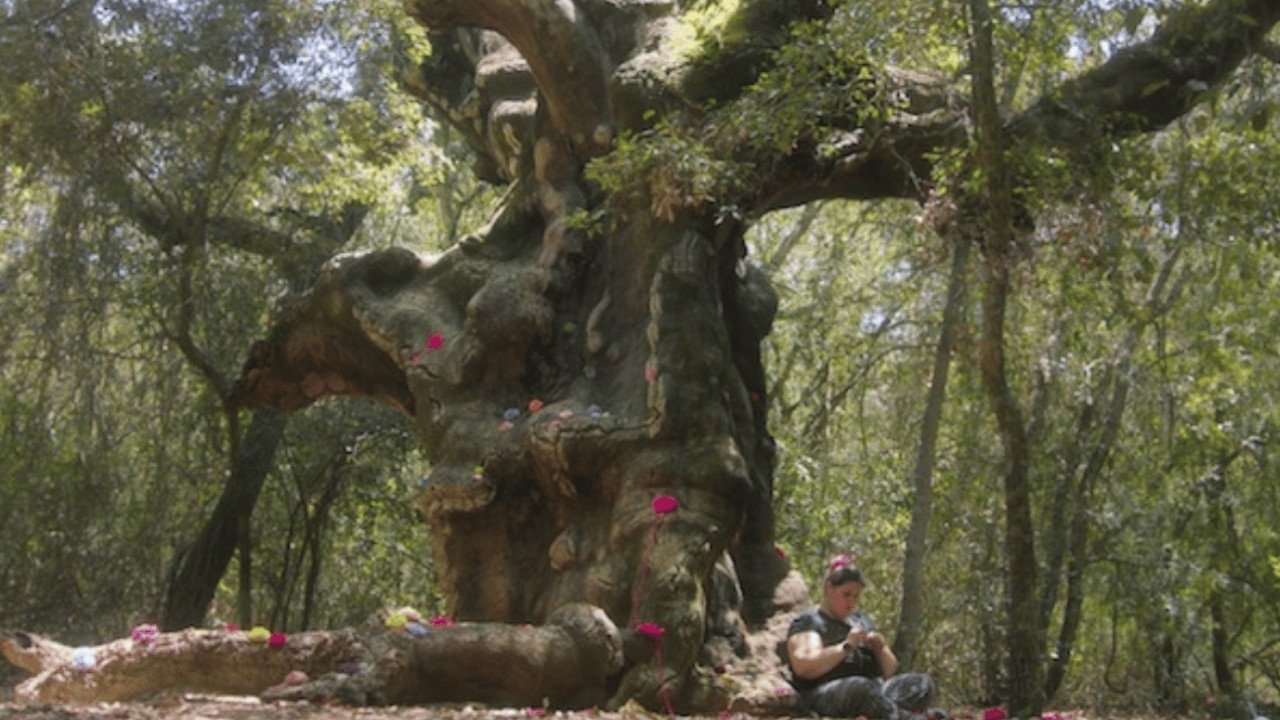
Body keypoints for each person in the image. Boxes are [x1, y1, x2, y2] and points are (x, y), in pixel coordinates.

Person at [785, 554, 936, 719]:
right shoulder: (810, 621)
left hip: (874, 690)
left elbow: (891, 671)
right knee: (862, 688)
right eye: (846, 594)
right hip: (827, 693)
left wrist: (880, 648)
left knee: (921, 684)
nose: (851, 601)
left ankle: (888, 714)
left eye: (856, 596)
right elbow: (805, 667)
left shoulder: (860, 620)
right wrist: (847, 645)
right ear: (829, 589)